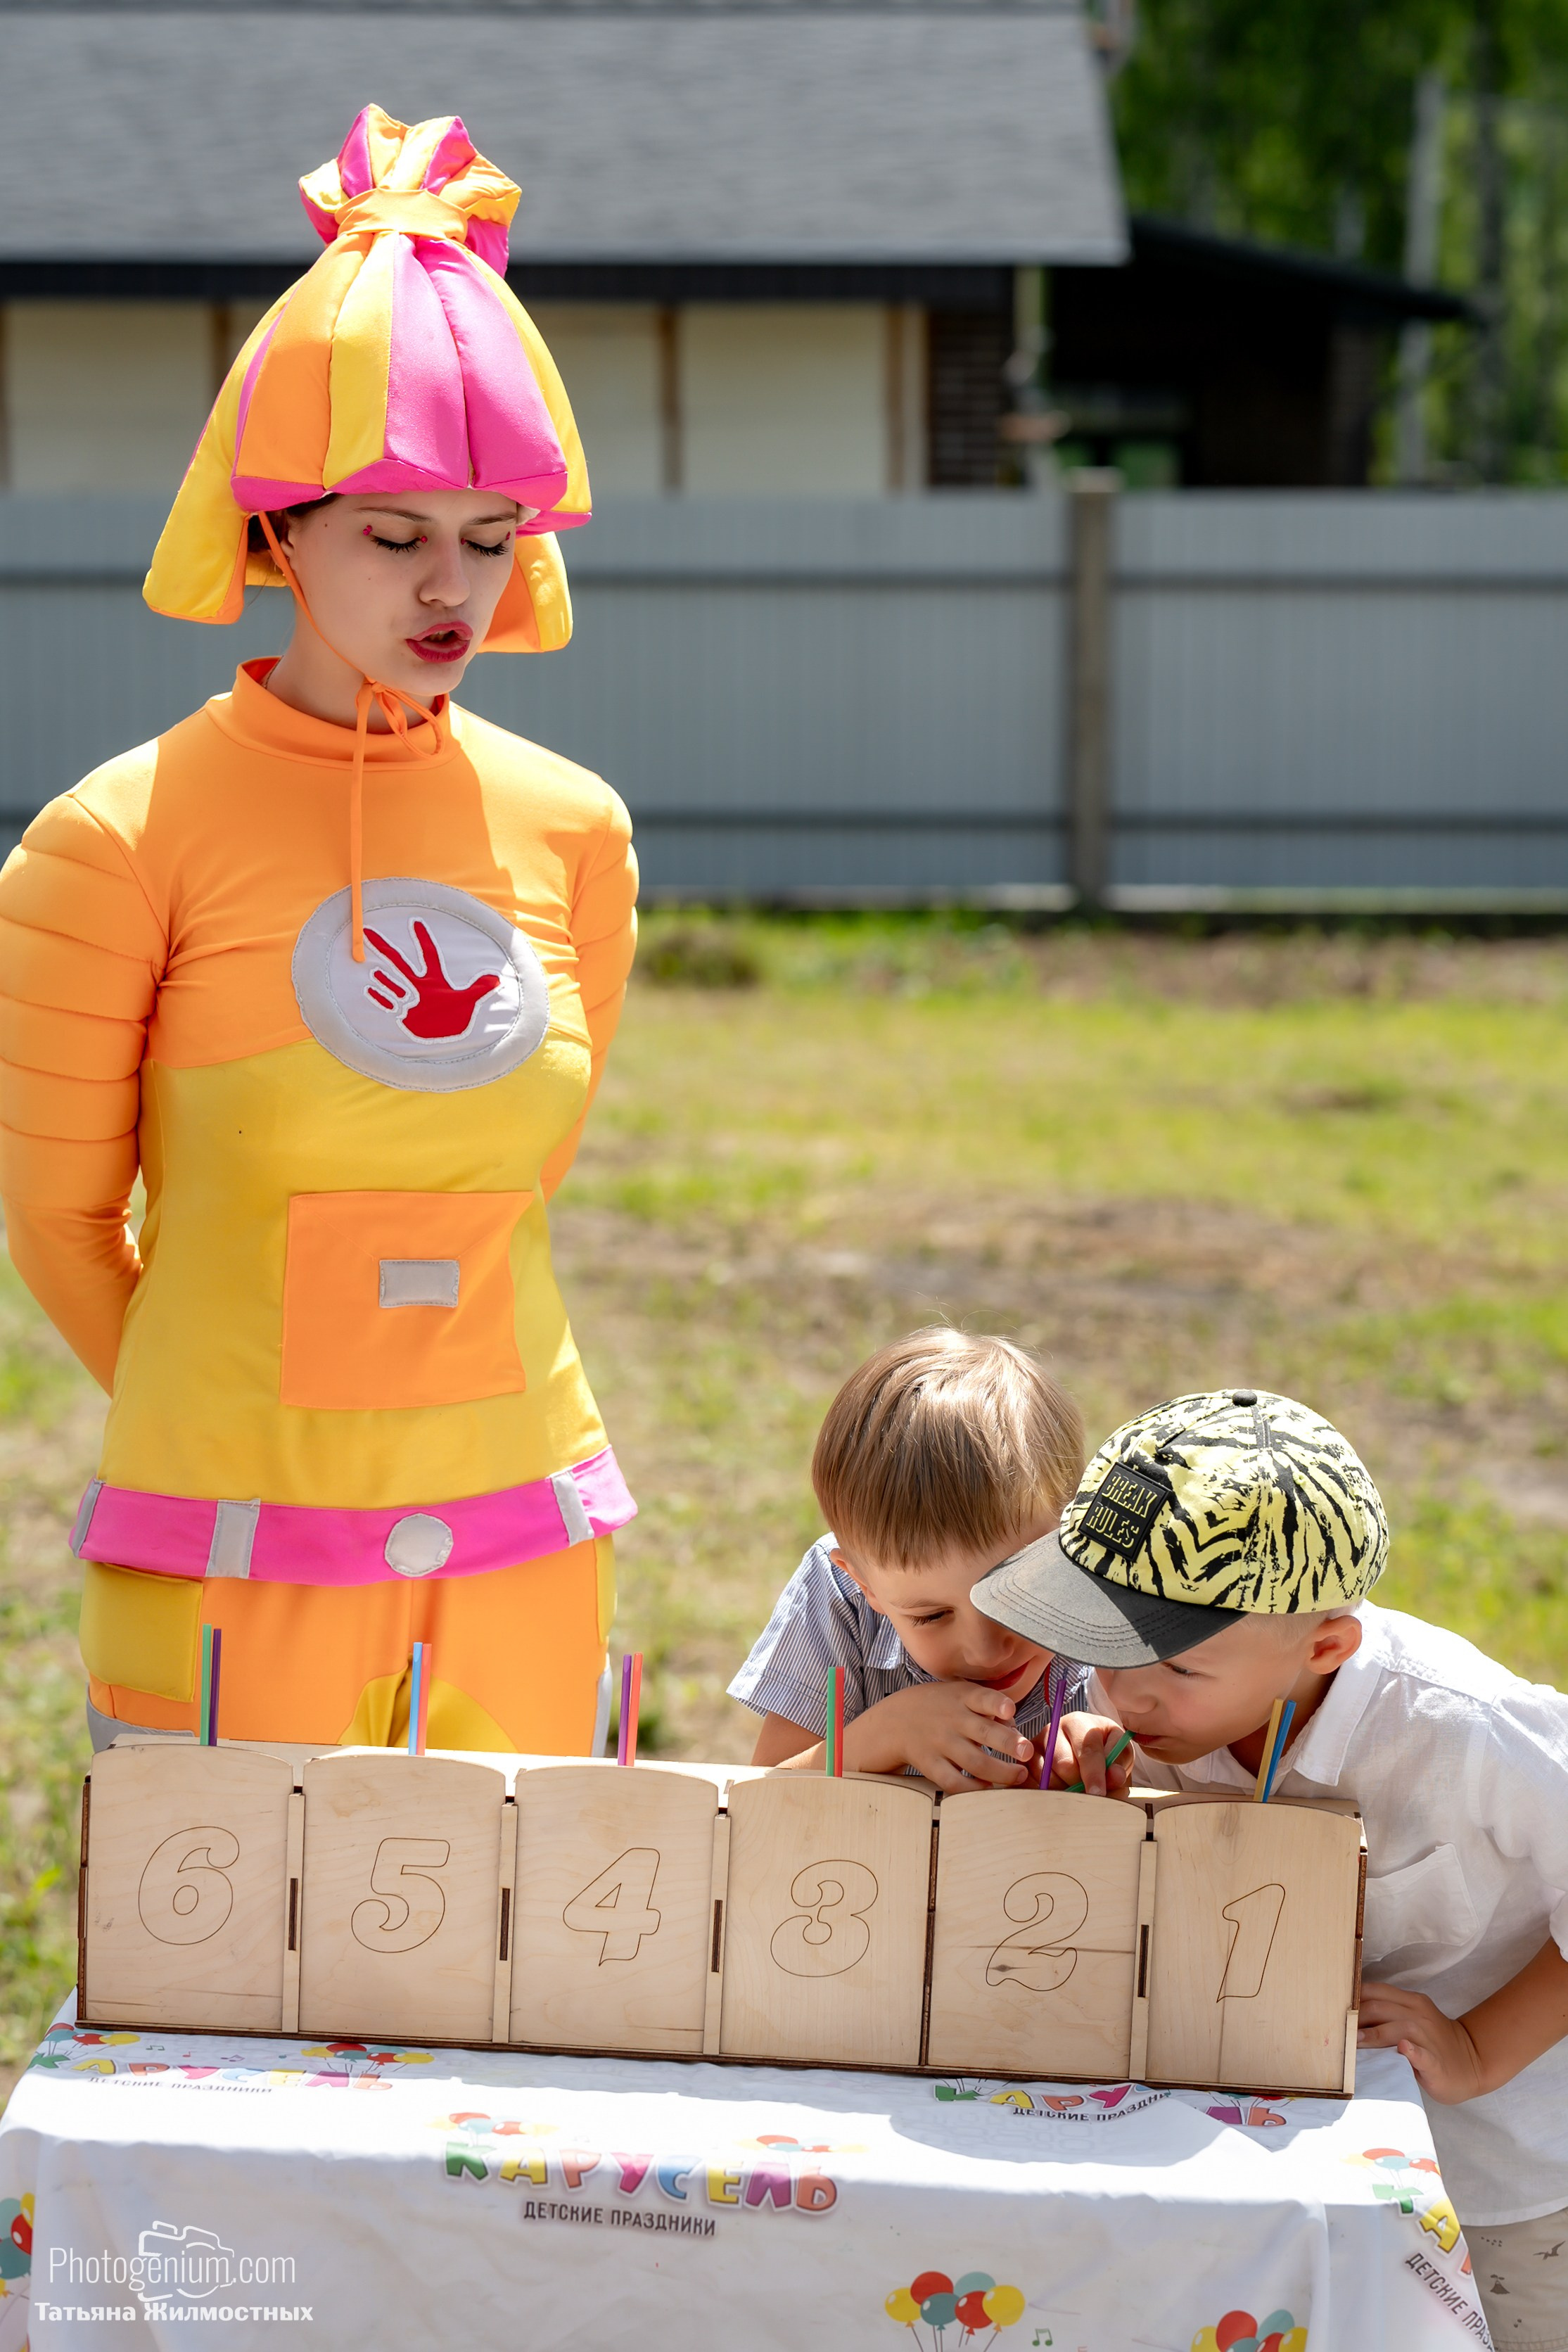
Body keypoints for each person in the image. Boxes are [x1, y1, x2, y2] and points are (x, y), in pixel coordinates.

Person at [0, 105, 638, 1757]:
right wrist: (238, 1417)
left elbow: (509, 1177)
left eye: (493, 543)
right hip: (226, 1553)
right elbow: (65, 1224)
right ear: (276, 530)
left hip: (521, 1534)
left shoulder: (574, 828)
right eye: (397, 535)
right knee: (209, 1995)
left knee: (522, 1978)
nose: (454, 593)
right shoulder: (110, 839)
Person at [971, 1386, 1568, 2352]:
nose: (1121, 1689)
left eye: (1177, 1668)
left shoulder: (1462, 1726)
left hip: (1504, 2183)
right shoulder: (1145, 1703)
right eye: (1103, 1645)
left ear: (1325, 1643)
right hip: (1266, 2171)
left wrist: (1482, 2046)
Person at [730, 1328, 1129, 1788]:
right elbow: (762, 1795)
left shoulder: (1110, 1598)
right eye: (933, 1614)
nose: (985, 1649)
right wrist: (882, 1735)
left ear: (1071, 1542)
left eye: (1018, 1595)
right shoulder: (840, 1599)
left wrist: (1095, 1754)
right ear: (865, 1584)